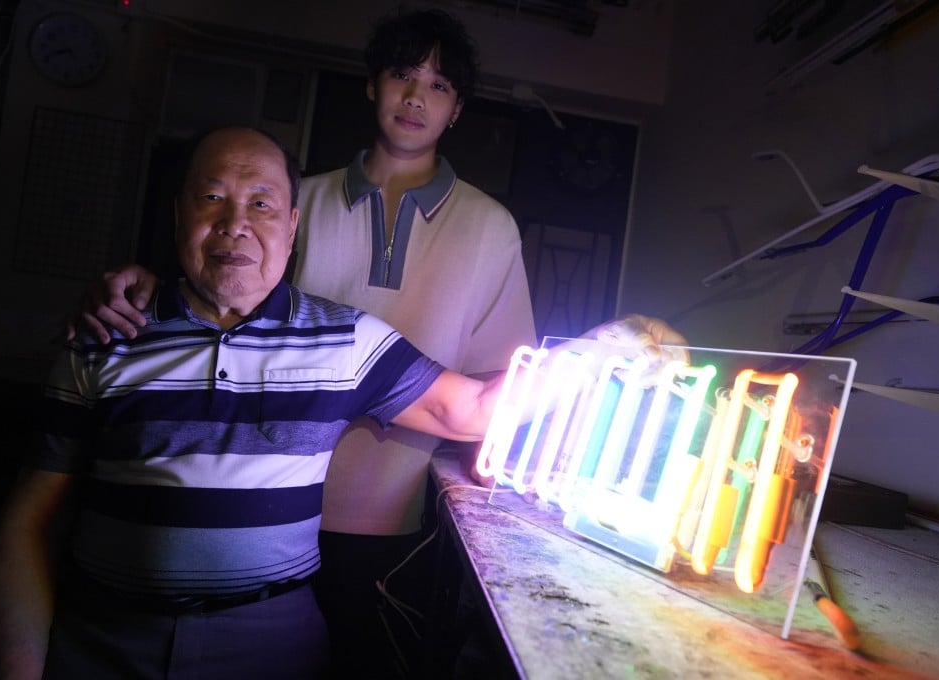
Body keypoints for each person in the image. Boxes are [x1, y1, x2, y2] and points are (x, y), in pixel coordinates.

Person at [66, 9, 688, 678]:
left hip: (399, 509)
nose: (417, 96)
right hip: (263, 495)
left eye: (440, 85)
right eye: (401, 75)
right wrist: (141, 287)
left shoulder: (490, 227)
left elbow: (483, 399)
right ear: (372, 86)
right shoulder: (288, 201)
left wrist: (602, 351)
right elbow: (217, 303)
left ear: (457, 110)